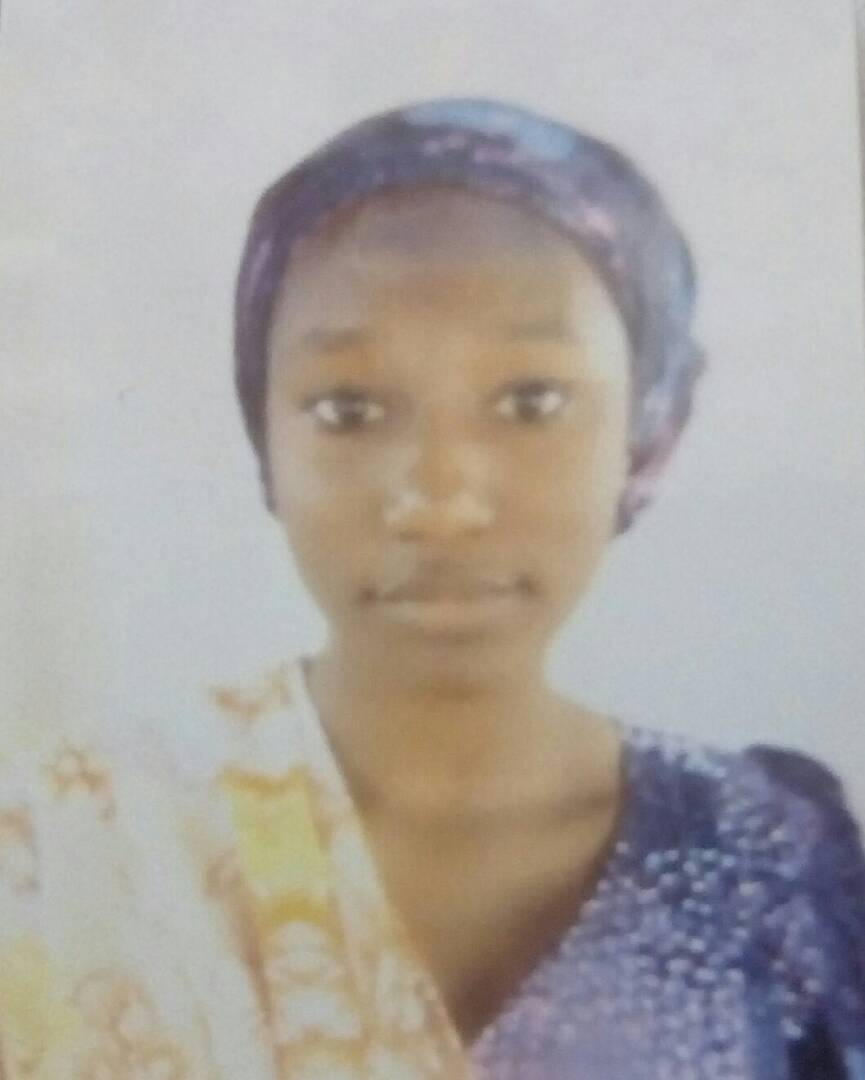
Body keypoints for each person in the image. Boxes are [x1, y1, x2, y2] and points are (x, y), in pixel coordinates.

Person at [0, 98, 862, 1079]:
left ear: (645, 430)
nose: (440, 502)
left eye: (532, 401)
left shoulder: (768, 863)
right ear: (264, 438)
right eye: (349, 408)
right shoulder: (70, 849)